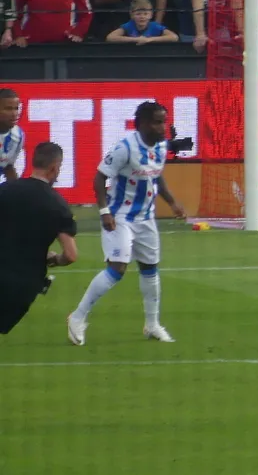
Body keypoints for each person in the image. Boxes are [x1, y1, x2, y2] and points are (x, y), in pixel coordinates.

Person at [67, 101, 186, 346]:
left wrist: (173, 203)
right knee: (118, 267)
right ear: (142, 124)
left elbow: (157, 176)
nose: (162, 126)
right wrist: (104, 211)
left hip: (146, 218)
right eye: (157, 121)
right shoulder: (125, 148)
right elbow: (100, 177)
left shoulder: (161, 147)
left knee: (150, 268)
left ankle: (152, 325)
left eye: (163, 121)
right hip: (119, 216)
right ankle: (77, 317)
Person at [0, 140, 78, 336]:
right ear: (54, 168)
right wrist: (54, 259)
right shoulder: (58, 205)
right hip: (24, 285)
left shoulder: (5, 191)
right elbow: (70, 255)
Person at [0, 87, 22, 181]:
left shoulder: (18, 135)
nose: (14, 114)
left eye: (16, 108)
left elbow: (8, 166)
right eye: (8, 109)